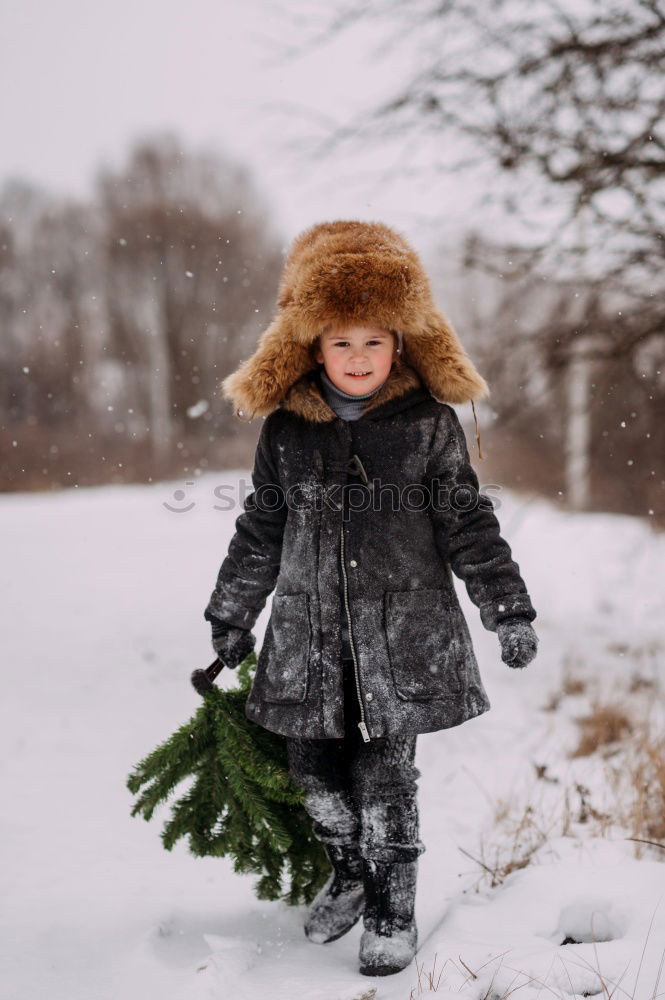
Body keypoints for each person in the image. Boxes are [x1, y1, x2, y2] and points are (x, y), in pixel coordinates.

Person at [203, 219, 539, 977]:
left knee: (386, 778)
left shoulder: (426, 426)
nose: (358, 359)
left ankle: (393, 905)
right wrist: (231, 611)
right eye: (341, 343)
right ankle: (349, 871)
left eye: (374, 342)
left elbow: (468, 523)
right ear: (313, 348)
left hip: (401, 634)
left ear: (401, 345)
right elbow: (262, 524)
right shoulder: (288, 430)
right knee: (314, 776)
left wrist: (507, 608)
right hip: (309, 633)